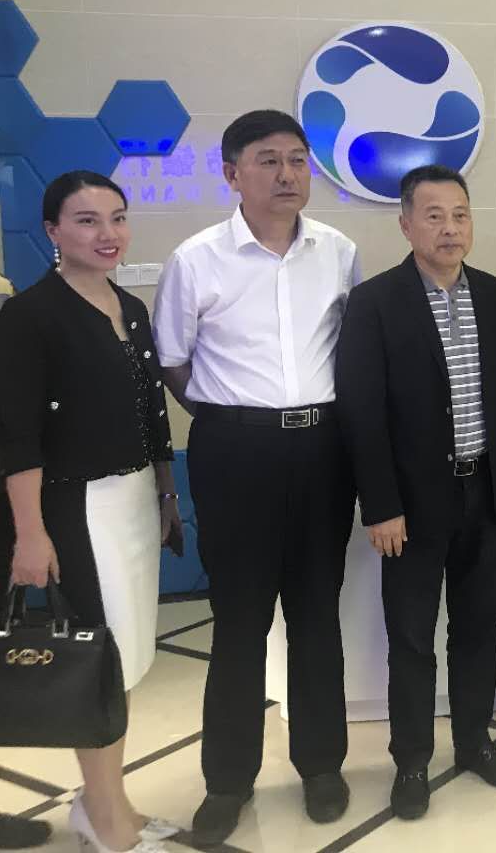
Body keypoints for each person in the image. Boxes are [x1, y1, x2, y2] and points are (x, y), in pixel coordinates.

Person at [152, 111, 360, 846]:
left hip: (324, 452)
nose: (286, 174)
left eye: (297, 159)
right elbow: (173, 361)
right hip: (234, 454)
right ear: (231, 173)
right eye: (268, 160)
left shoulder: (338, 252)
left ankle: (322, 766)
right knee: (239, 621)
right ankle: (228, 780)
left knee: (316, 615)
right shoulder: (197, 259)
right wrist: (235, 418)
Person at [335, 165, 496, 820]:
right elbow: (362, 411)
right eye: (435, 215)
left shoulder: (494, 295)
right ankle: (412, 761)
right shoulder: (375, 302)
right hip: (412, 509)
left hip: (487, 494)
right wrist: (381, 504)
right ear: (406, 224)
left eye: (460, 215)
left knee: (479, 628)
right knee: (412, 640)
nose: (450, 228)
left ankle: (474, 743)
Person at [0, 171, 181, 853]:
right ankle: (104, 818)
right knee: (100, 661)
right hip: (77, 507)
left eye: (117, 218)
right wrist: (29, 533)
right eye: (86, 220)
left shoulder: (128, 307)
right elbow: (16, 435)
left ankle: (106, 801)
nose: (107, 234)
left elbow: (150, 411)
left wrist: (166, 493)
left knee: (127, 657)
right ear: (53, 231)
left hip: (133, 501)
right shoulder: (30, 316)